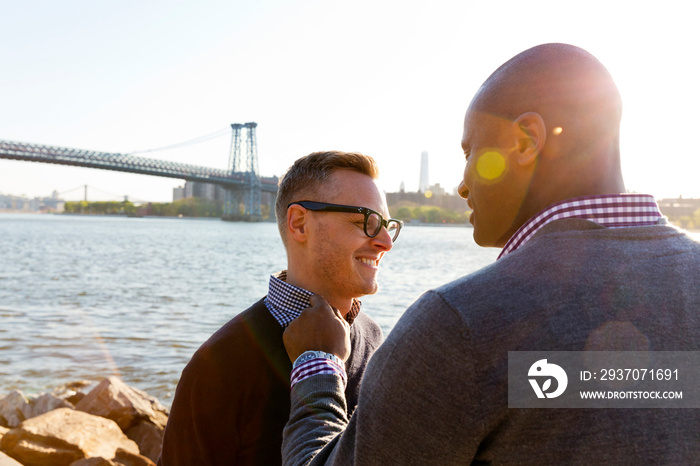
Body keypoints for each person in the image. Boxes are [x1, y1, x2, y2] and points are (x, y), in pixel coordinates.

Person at [281, 43, 700, 464]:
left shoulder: (459, 326)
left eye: (470, 152)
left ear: (526, 142)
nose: (463, 185)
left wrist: (317, 363)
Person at [158, 151, 402, 465]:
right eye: (364, 222)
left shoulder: (371, 337)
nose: (386, 242)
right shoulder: (218, 364)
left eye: (386, 225)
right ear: (299, 223)